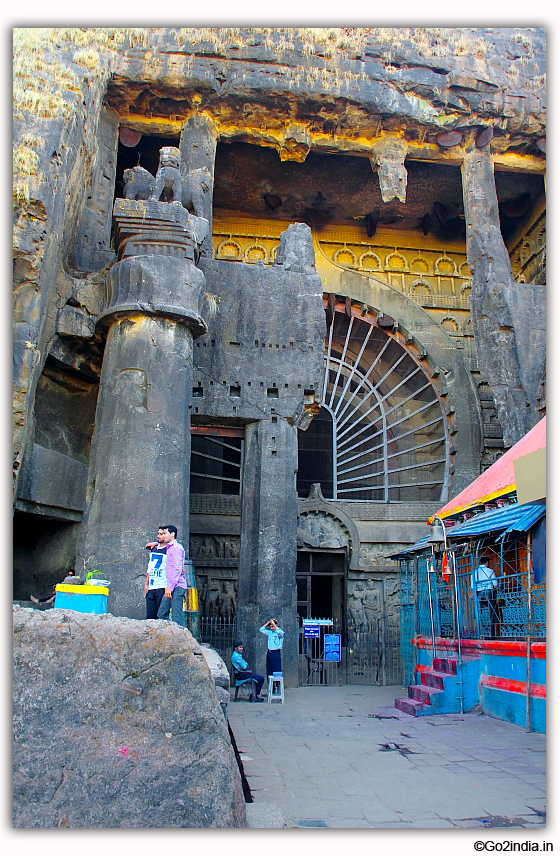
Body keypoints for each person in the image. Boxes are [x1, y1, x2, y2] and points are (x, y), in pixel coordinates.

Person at [156, 525, 187, 627]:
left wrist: (169, 588)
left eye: (165, 534)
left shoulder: (176, 548)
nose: (163, 536)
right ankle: (172, 633)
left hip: (176, 586)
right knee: (162, 613)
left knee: (177, 616)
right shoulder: (171, 547)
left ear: (172, 534)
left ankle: (179, 637)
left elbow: (177, 569)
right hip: (172, 585)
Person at [144, 528, 168, 619]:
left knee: (160, 615)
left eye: (162, 534)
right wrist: (146, 583)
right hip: (152, 586)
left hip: (162, 586)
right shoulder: (153, 548)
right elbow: (150, 567)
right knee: (150, 616)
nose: (158, 536)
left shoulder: (169, 550)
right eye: (159, 534)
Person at [471, 557, 498, 636]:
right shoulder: (490, 571)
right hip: (489, 592)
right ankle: (492, 633)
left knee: (480, 612)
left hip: (479, 593)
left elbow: (473, 586)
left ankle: (480, 632)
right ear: (487, 563)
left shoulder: (475, 572)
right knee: (491, 612)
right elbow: (495, 584)